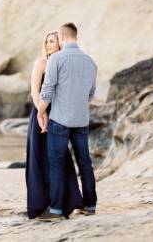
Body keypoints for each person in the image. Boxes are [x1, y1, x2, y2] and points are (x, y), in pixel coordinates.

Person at [36, 22, 98, 221]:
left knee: (56, 164)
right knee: (85, 163)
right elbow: (90, 94)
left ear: (62, 38)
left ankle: (55, 210)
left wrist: (41, 111)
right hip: (81, 121)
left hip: (60, 120)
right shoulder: (90, 62)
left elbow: (47, 90)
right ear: (75, 37)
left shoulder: (56, 59)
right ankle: (90, 205)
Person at [25, 30, 83, 220]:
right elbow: (35, 93)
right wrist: (42, 114)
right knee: (39, 159)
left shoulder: (64, 64)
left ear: (61, 44)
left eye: (54, 41)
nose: (50, 44)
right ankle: (40, 205)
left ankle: (66, 203)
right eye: (47, 41)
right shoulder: (40, 63)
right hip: (40, 115)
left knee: (60, 159)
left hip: (59, 116)